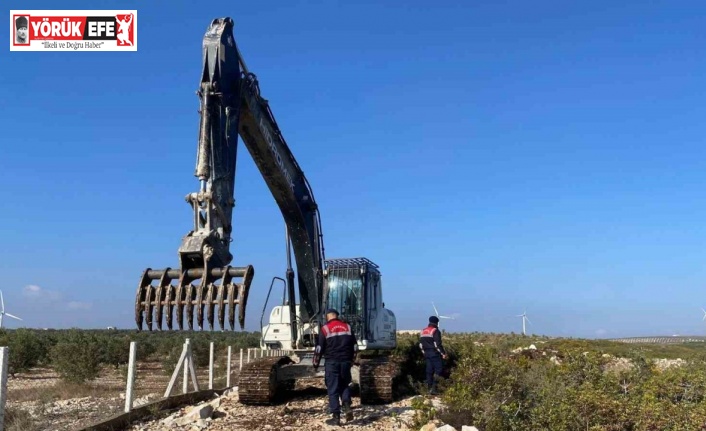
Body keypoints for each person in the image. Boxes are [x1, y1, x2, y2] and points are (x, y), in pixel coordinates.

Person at [313, 308, 358, 426]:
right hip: (345, 362)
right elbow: (355, 347)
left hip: (332, 362)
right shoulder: (347, 327)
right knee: (345, 384)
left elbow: (319, 349)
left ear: (327, 317)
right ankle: (347, 407)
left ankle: (336, 417)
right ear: (337, 316)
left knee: (333, 389)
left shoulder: (325, 329)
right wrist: (352, 361)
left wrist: (315, 364)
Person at [419, 315, 448, 395]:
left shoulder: (423, 331)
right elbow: (437, 344)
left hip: (427, 353)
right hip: (434, 353)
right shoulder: (435, 331)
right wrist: (443, 353)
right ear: (436, 322)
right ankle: (434, 388)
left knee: (429, 371)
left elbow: (421, 344)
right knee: (439, 370)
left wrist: (424, 353)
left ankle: (429, 388)